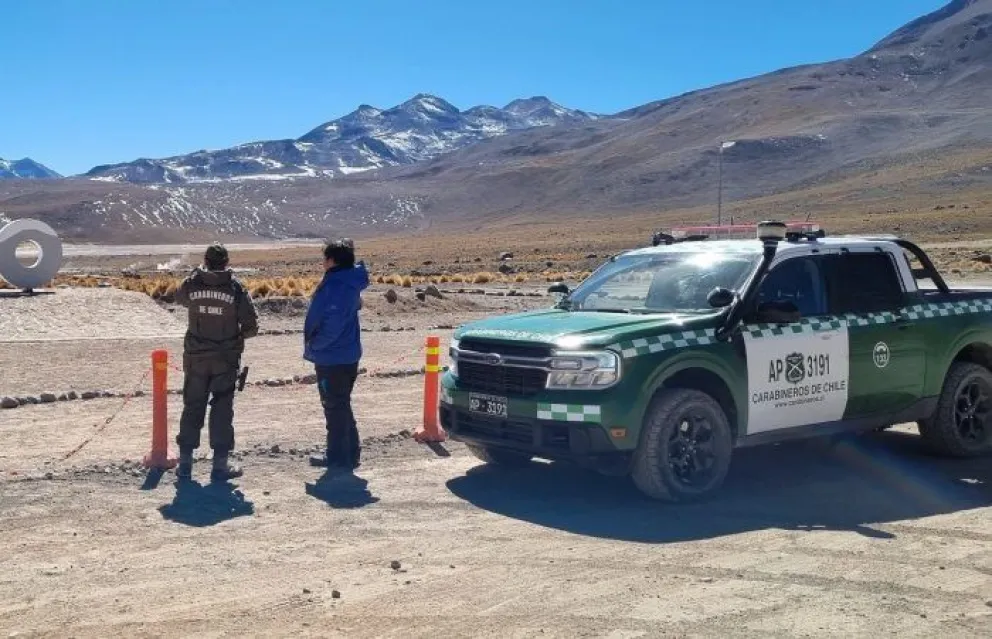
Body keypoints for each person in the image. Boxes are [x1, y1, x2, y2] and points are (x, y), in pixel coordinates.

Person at [174, 243, 259, 482]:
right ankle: (220, 466)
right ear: (226, 262)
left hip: (196, 358)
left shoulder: (192, 284)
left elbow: (179, 297)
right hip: (225, 360)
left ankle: (185, 465)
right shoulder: (235, 288)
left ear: (206, 260)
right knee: (222, 410)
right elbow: (252, 326)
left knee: (192, 406)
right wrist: (233, 339)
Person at [304, 238, 370, 470]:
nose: (322, 262)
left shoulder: (336, 287)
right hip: (347, 354)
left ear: (332, 261)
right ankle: (350, 453)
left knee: (334, 406)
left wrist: (316, 345)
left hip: (332, 356)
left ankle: (337, 457)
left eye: (325, 258)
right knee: (341, 404)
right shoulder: (348, 283)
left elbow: (331, 324)